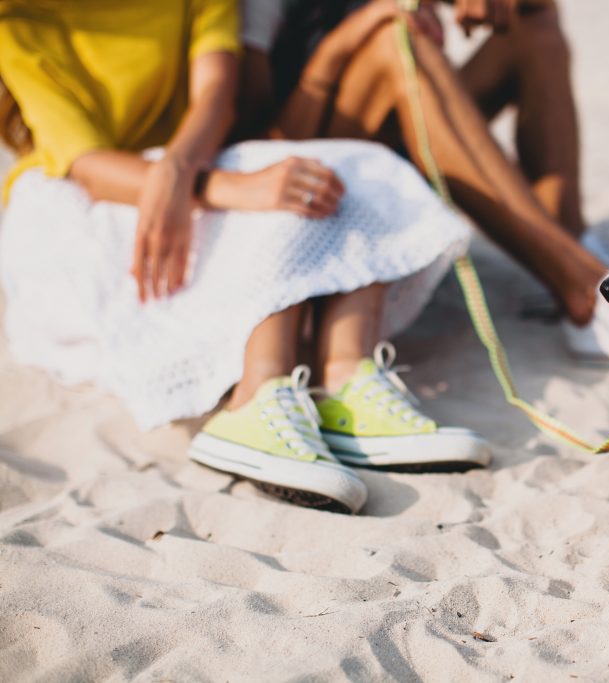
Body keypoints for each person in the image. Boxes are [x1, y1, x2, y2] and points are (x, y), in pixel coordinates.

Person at [0, 0, 491, 515]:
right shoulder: (19, 17)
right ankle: (254, 400)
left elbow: (216, 93)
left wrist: (182, 169)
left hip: (187, 163)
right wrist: (220, 185)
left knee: (345, 169)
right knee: (269, 198)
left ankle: (346, 380)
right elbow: (88, 165)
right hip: (83, 200)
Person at [236, 0, 609, 357]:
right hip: (309, 162)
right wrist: (345, 40)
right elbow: (264, 146)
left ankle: (566, 251)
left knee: (533, 23)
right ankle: (582, 290)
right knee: (394, 37)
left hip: (404, 124)